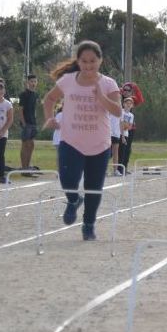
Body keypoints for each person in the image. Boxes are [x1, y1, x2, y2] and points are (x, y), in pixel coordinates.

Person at [42, 40, 122, 241]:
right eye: (84, 61)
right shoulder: (68, 80)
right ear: (78, 61)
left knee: (94, 188)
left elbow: (117, 111)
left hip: (99, 144)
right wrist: (49, 117)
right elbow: (49, 99)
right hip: (71, 140)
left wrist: (101, 97)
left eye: (92, 61)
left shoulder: (108, 83)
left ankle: (88, 225)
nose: (88, 65)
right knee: (68, 179)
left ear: (100, 61)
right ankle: (73, 199)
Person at [118, 81, 143, 173]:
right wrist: (120, 91)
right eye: (124, 89)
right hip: (118, 128)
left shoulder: (131, 100)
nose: (126, 91)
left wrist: (135, 87)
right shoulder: (118, 98)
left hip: (129, 128)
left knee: (127, 149)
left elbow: (140, 100)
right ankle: (117, 167)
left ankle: (124, 168)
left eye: (128, 90)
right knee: (118, 148)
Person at [18, 74, 40, 174]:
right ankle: (24, 168)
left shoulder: (35, 95)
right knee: (25, 144)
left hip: (33, 122)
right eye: (31, 81)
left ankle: (28, 166)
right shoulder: (24, 94)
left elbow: (34, 109)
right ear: (27, 82)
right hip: (26, 123)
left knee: (31, 145)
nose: (33, 83)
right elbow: (20, 110)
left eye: (35, 81)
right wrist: (23, 123)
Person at [119, 97, 135, 174]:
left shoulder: (131, 115)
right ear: (123, 104)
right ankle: (117, 169)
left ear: (132, 106)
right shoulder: (121, 112)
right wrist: (122, 134)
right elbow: (121, 123)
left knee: (124, 152)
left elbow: (130, 126)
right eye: (127, 103)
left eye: (130, 104)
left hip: (126, 134)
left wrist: (126, 126)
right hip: (118, 133)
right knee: (117, 152)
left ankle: (122, 169)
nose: (128, 105)